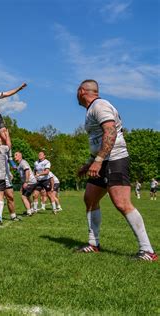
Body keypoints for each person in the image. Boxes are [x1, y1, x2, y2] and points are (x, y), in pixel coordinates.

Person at [76, 79, 156, 261]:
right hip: (102, 160)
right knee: (90, 198)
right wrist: (90, 163)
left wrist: (98, 160)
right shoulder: (92, 110)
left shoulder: (100, 105)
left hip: (115, 159)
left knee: (121, 203)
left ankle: (148, 251)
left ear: (82, 91)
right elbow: (98, 141)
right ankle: (93, 244)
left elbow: (110, 132)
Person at [14, 152, 37, 216]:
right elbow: (21, 173)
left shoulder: (23, 162)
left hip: (30, 182)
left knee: (24, 197)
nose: (14, 156)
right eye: (14, 155)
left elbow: (27, 171)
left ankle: (29, 212)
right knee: (27, 197)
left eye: (16, 155)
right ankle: (31, 209)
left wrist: (26, 182)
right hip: (29, 182)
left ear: (20, 156)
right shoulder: (19, 164)